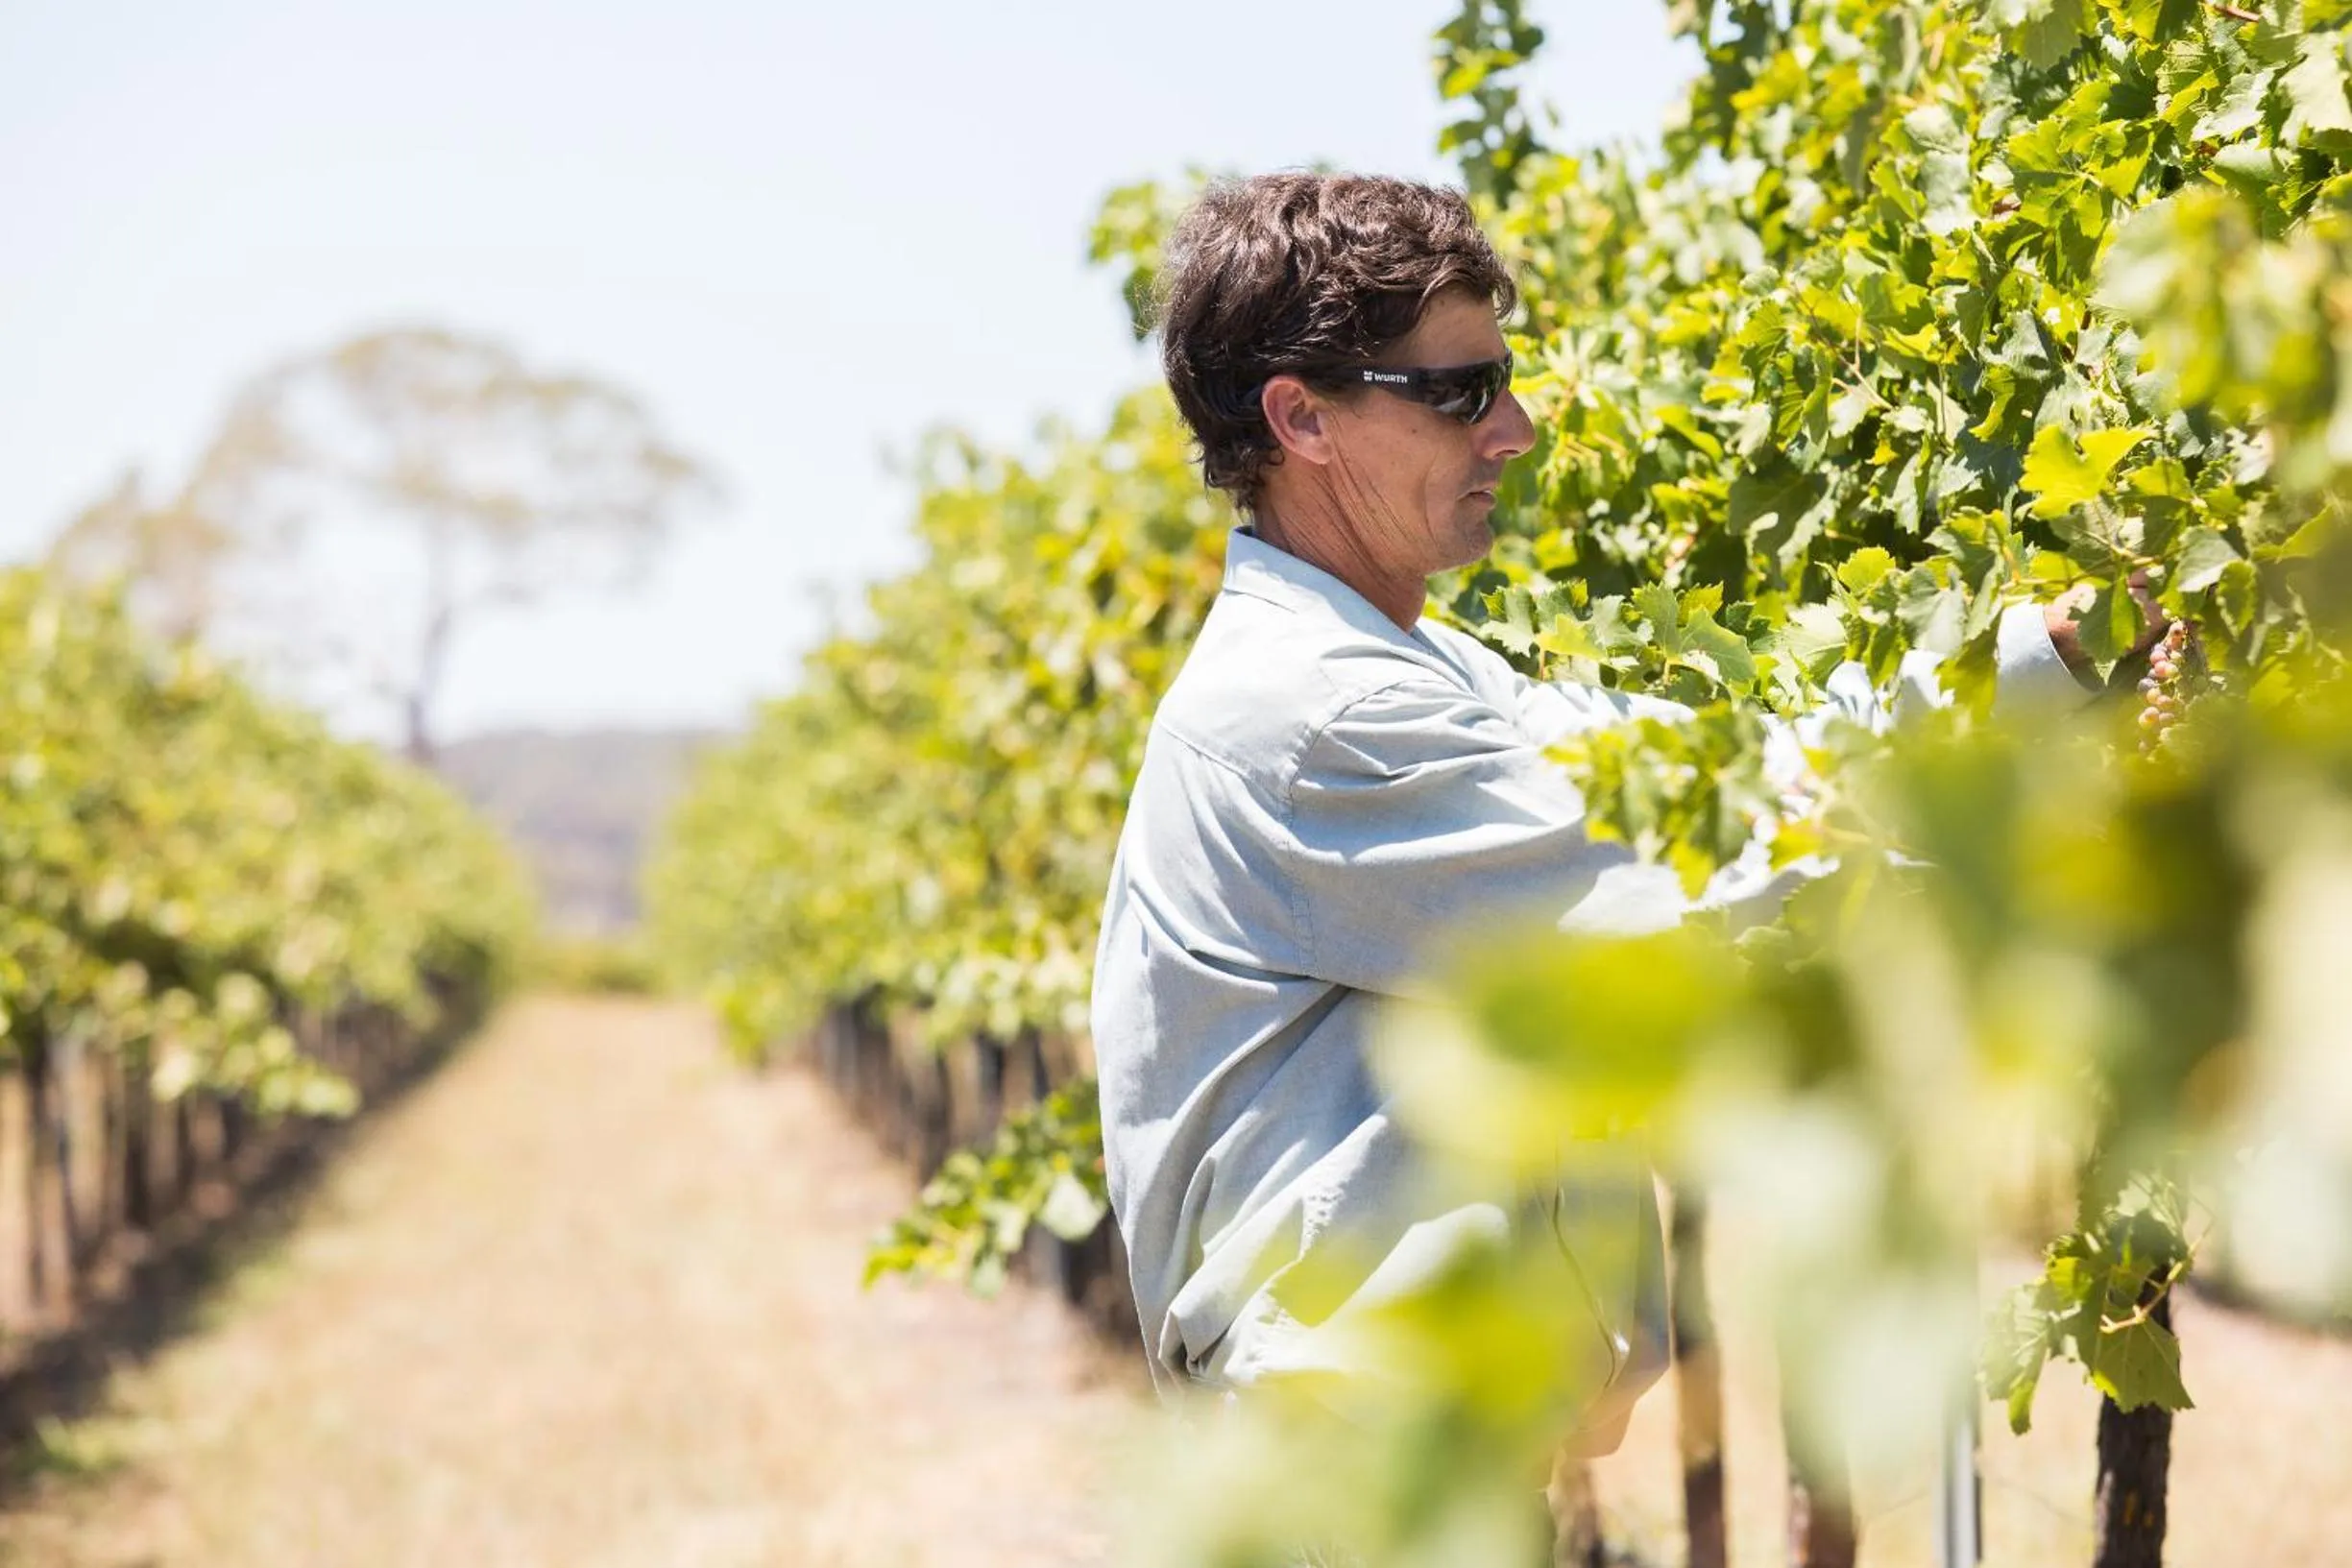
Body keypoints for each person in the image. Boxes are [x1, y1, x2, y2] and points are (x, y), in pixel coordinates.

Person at [1088, 172, 2101, 1447]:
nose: (1512, 430)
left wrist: (2059, 651)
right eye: (1460, 394)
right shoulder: (1317, 718)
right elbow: (1700, 843)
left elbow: (1707, 768)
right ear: (1304, 420)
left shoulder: (1427, 669)